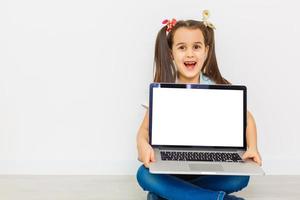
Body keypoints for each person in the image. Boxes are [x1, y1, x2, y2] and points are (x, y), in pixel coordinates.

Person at [136, 10, 262, 200]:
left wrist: (252, 147)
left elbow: (248, 118)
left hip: (210, 165)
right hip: (171, 165)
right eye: (182, 47)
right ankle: (216, 198)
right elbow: (143, 131)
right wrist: (143, 146)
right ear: (171, 54)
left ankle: (167, 195)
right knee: (143, 174)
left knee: (241, 177)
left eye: (196, 46)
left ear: (206, 50)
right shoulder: (163, 89)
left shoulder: (217, 87)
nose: (190, 54)